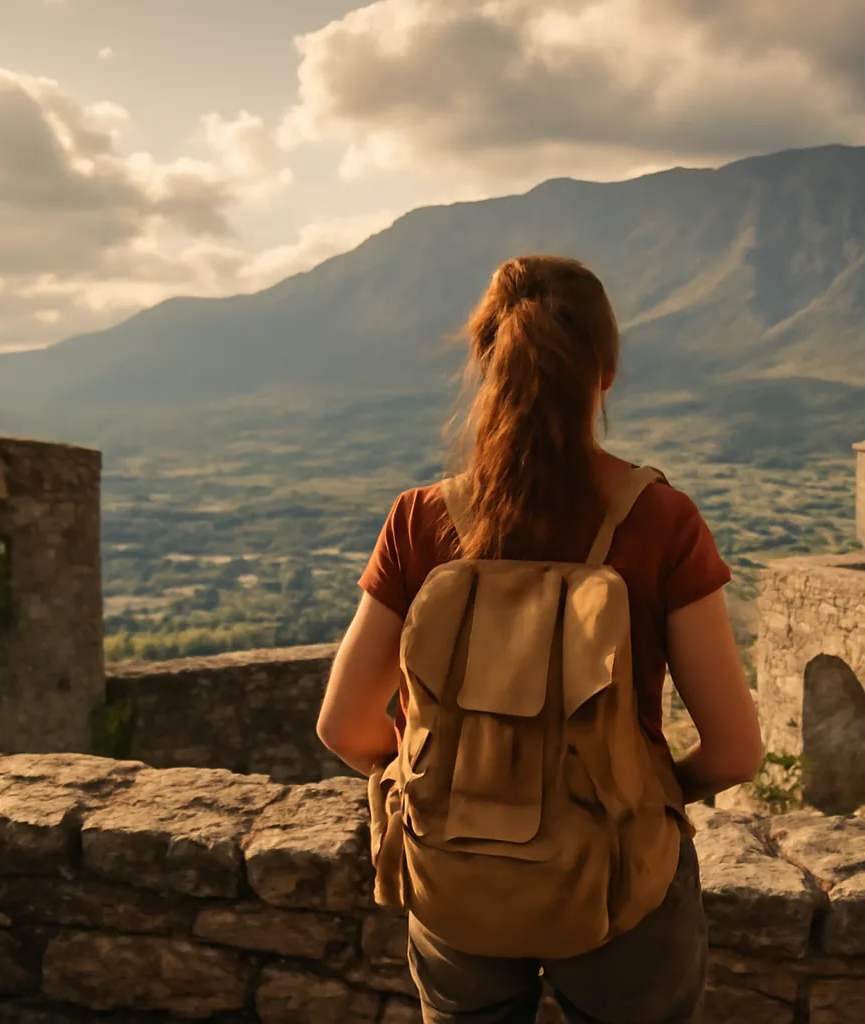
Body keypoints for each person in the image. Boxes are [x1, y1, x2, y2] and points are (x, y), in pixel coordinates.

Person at [317, 254, 763, 1023]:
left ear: (486, 363)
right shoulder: (661, 521)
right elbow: (733, 754)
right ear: (606, 372)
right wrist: (637, 797)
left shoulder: (419, 520)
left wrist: (451, 783)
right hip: (621, 886)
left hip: (458, 878)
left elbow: (345, 726)